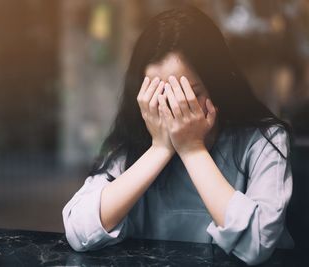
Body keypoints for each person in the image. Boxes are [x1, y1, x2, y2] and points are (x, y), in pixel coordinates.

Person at [62, 3, 294, 265]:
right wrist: (159, 149)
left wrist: (192, 148)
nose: (175, 112)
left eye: (189, 96)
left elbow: (256, 244)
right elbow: (79, 231)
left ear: (218, 85)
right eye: (160, 97)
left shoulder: (264, 139)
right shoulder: (135, 139)